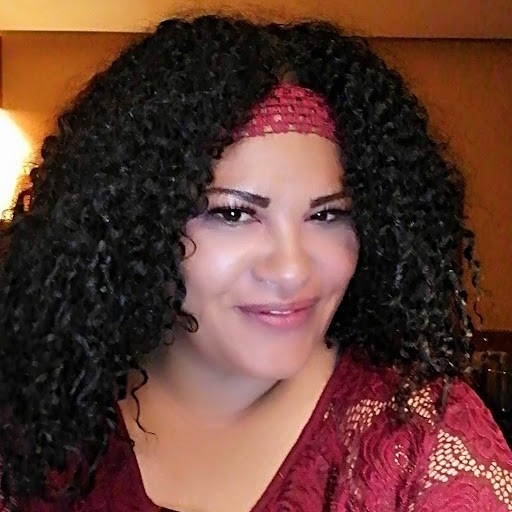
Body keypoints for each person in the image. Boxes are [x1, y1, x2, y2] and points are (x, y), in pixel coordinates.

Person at [0, 13, 511, 512]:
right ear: (136, 224)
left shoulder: (422, 447)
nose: (292, 270)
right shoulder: (36, 413)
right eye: (233, 213)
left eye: (328, 214)